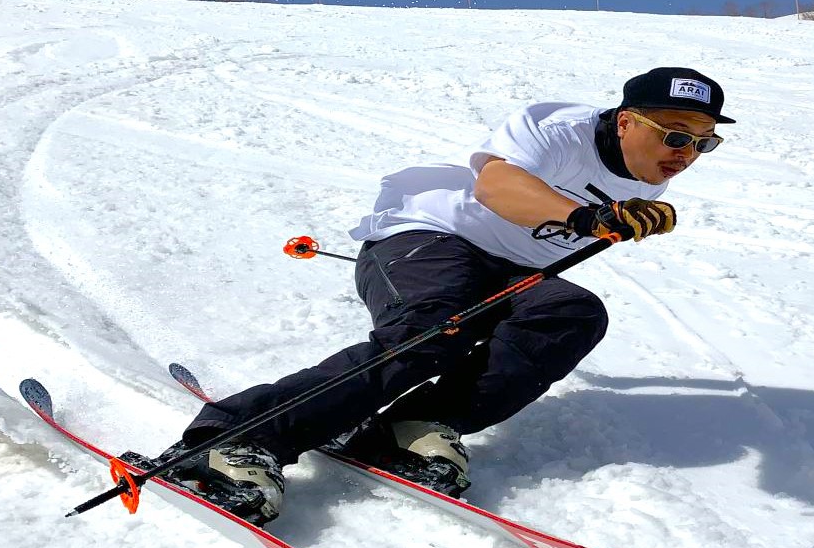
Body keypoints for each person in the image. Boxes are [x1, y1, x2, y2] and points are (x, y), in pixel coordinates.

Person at [158, 66, 734, 524]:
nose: (685, 152)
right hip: (430, 239)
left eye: (703, 144)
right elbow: (498, 185)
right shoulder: (560, 128)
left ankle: (411, 427)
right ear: (629, 121)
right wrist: (588, 218)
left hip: (508, 270)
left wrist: (615, 217)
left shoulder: (649, 169)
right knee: (432, 331)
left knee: (572, 312)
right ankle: (234, 438)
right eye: (675, 134)